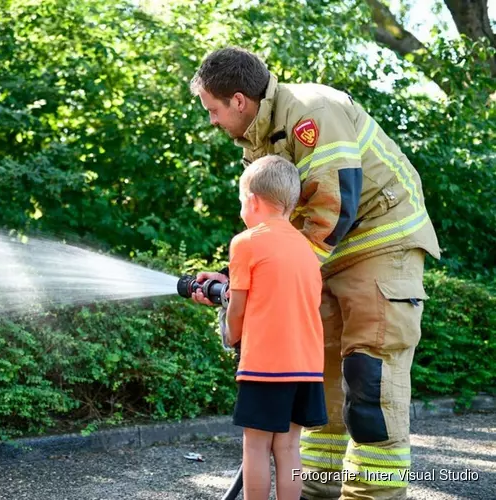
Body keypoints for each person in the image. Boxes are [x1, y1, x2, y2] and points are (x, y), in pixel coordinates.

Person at [189, 47, 441, 500]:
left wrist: (269, 279)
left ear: (239, 101)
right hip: (322, 259)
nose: (212, 120)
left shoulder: (311, 112)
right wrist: (239, 275)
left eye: (213, 109)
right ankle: (314, 492)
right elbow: (270, 227)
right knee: (317, 387)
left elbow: (336, 202)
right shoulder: (261, 141)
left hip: (379, 247)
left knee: (370, 384)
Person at [226, 155, 327, 500]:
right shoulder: (307, 248)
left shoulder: (246, 242)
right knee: (288, 449)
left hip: (266, 365)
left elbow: (237, 307)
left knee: (255, 447)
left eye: (242, 201)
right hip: (307, 366)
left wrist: (230, 335)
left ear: (252, 200)